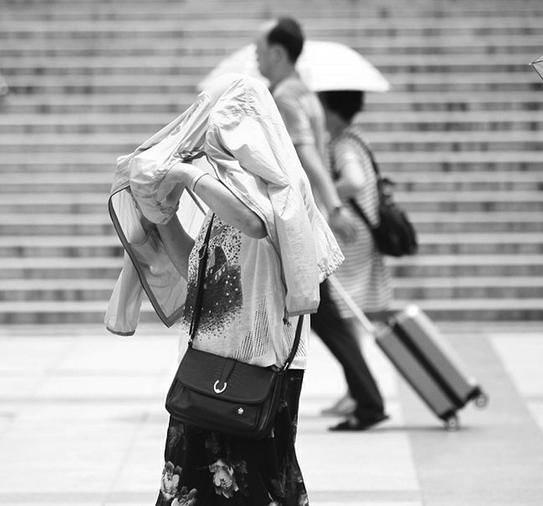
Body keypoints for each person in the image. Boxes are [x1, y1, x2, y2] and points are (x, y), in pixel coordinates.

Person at [114, 75, 343, 505]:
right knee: (197, 487)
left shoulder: (280, 189)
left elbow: (255, 222)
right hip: (208, 365)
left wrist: (185, 175)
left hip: (259, 368)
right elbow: (199, 272)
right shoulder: (226, 190)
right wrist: (159, 219)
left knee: (259, 484)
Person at [256, 17, 389, 431]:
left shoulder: (285, 96)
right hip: (307, 220)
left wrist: (332, 206)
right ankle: (365, 399)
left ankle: (367, 401)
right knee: (314, 314)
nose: (256, 56)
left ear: (278, 53)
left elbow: (307, 154)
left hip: (299, 221)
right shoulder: (307, 94)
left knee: (316, 316)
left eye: (259, 49)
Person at [318, 89, 394, 420]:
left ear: (331, 110)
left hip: (350, 238)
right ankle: (355, 390)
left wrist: (325, 194)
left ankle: (356, 391)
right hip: (357, 236)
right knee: (349, 314)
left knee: (345, 312)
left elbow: (355, 180)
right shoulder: (353, 139)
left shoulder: (344, 144)